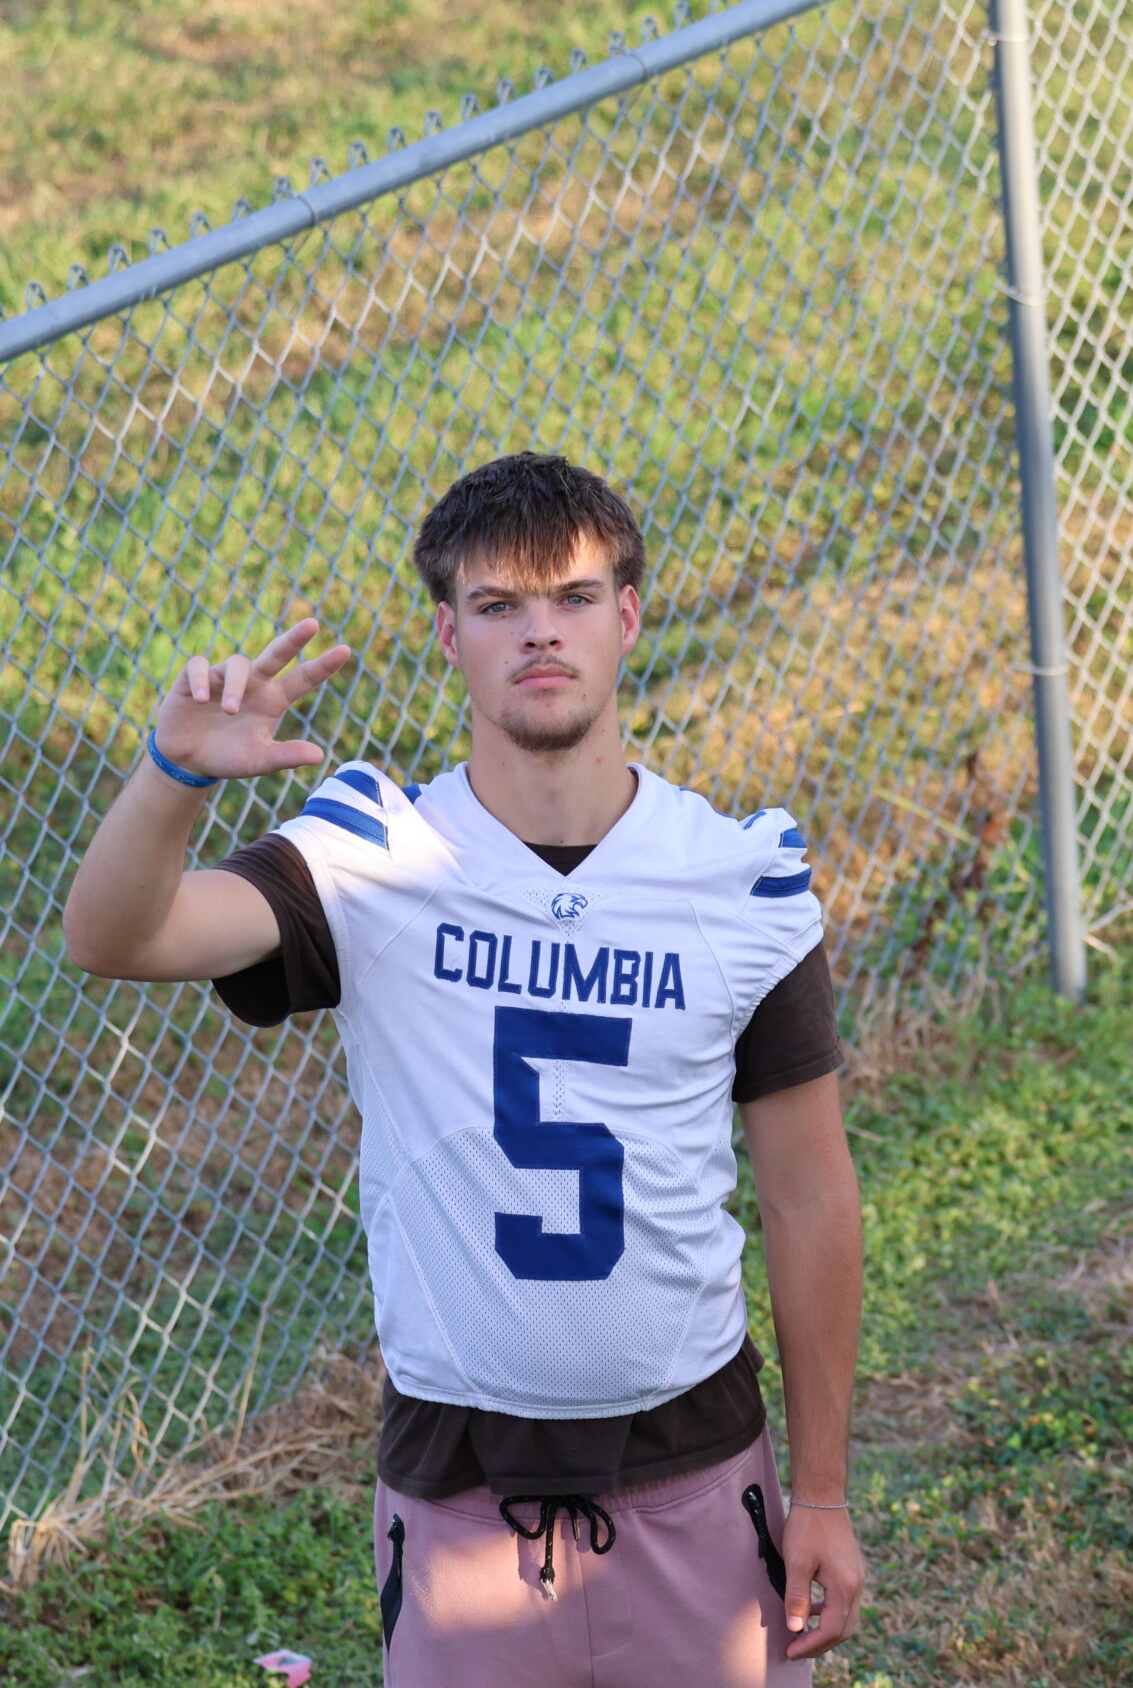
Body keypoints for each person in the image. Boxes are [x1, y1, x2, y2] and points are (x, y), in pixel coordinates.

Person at [63, 452, 867, 1686]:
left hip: (698, 1464)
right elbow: (116, 939)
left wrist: (823, 1494)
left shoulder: (734, 878)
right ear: (449, 633)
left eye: (574, 597)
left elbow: (809, 1192)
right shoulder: (377, 856)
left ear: (627, 617)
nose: (539, 632)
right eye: (498, 605)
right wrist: (173, 776)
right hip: (460, 1485)